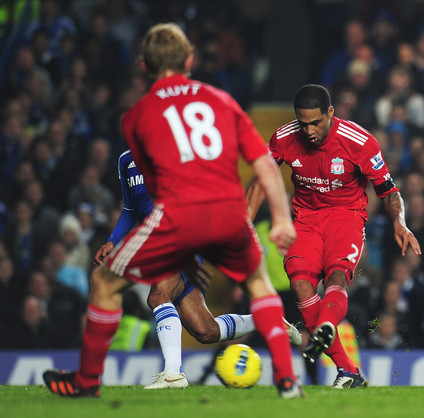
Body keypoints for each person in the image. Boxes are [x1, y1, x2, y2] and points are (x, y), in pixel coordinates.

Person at [42, 22, 303, 399]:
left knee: (115, 286)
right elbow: (262, 162)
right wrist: (280, 217)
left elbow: (163, 190)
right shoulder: (221, 100)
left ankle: (100, 381)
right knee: (212, 324)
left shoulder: (137, 118)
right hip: (228, 212)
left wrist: (184, 247)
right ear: (190, 60)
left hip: (180, 218)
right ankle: (285, 377)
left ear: (145, 65)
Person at [246, 83, 421, 388]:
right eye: (303, 123)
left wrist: (400, 222)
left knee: (336, 278)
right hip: (306, 220)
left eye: (316, 122)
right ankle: (348, 368)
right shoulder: (284, 138)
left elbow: (388, 190)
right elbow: (262, 178)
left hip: (346, 217)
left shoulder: (359, 142)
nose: (310, 131)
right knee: (300, 284)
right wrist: (245, 224)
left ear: (330, 112)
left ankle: (327, 330)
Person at [93, 149, 301, 389]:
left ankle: (173, 373)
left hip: (180, 238)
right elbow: (131, 210)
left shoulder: (174, 152)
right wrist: (112, 241)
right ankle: (269, 320)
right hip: (155, 245)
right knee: (206, 331)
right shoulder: (125, 160)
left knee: (158, 296)